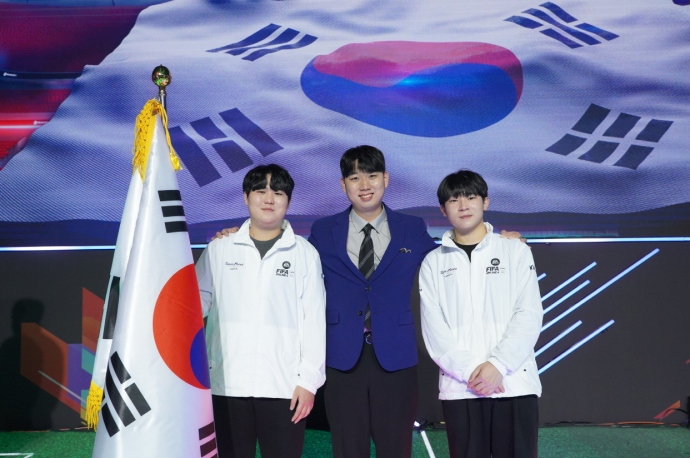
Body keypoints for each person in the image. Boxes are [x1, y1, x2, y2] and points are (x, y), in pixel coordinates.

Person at [213, 147, 524, 458]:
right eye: (354, 178)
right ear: (343, 184)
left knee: (396, 449)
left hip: (396, 358)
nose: (364, 185)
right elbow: (287, 251)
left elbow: (450, 256)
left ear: (385, 179)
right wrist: (236, 234)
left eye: (372, 176)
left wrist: (495, 239)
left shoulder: (411, 228)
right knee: (348, 449)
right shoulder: (324, 230)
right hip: (342, 359)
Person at [195, 164, 326, 458]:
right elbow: (195, 304)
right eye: (260, 191)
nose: (269, 199)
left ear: (288, 201)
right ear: (246, 197)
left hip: (284, 387)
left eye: (278, 193)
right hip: (226, 385)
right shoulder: (220, 248)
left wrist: (308, 382)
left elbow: (314, 321)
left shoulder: (305, 253)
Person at [419, 169, 543, 458]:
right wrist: (471, 374)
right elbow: (434, 329)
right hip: (461, 388)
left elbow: (528, 313)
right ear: (443, 209)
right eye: (454, 200)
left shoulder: (514, 250)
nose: (463, 206)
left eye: (471, 197)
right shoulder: (433, 262)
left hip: (513, 384)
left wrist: (498, 366)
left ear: (485, 202)